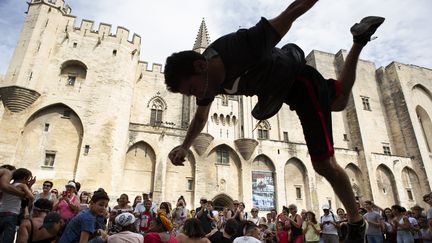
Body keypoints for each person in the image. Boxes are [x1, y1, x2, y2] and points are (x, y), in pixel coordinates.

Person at [165, 0, 384, 241]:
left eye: (193, 88)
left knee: (323, 164)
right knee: (340, 100)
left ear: (200, 65)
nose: (197, 95)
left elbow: (291, 13)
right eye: (191, 94)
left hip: (299, 82)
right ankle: (359, 40)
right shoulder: (208, 85)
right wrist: (185, 146)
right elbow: (200, 116)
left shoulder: (240, 45)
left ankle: (355, 222)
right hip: (284, 94)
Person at [0, 168, 34, 243]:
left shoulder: (9, 185)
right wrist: (29, 206)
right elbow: (31, 197)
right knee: (8, 238)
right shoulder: (22, 185)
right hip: (12, 214)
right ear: (24, 178)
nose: (27, 181)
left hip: (1, 212)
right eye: (28, 179)